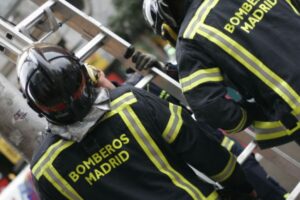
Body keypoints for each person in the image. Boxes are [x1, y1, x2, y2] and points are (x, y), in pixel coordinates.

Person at [17, 43, 258, 200]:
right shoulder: (131, 103)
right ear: (85, 74)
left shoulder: (46, 170)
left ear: (35, 106)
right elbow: (200, 147)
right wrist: (243, 187)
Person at [137, 0, 300, 150]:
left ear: (167, 25)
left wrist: (253, 114)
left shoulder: (190, 38)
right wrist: (170, 71)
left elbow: (211, 108)